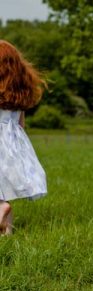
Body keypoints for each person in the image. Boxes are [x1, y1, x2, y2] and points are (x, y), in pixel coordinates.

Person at [0, 40, 47, 235]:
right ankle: (7, 234)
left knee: (1, 198)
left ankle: (1, 208)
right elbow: (21, 124)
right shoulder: (18, 93)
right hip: (12, 144)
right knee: (3, 189)